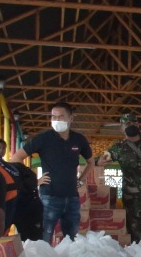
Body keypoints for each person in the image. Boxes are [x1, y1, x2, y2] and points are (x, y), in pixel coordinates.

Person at [9, 101, 92, 242]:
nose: (56, 120)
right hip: (49, 198)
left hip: (72, 198)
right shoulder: (43, 139)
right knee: (43, 239)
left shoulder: (79, 140)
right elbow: (15, 158)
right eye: (53, 117)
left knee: (72, 240)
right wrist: (34, 180)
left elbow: (91, 162)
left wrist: (81, 179)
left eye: (60, 117)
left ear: (70, 118)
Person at [96, 112, 141, 243]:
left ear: (138, 124)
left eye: (134, 122)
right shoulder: (118, 147)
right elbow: (101, 159)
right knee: (134, 231)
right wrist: (98, 162)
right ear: (121, 128)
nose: (131, 125)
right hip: (131, 196)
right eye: (127, 123)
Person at [0, 136, 20, 232]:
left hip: (2, 195)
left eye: (3, 148)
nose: (0, 150)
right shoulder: (8, 166)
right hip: (11, 195)